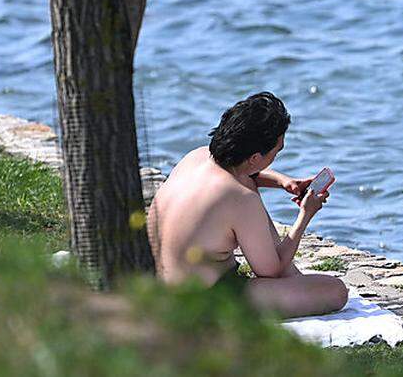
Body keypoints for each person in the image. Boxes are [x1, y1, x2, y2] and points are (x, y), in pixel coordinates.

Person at [147, 91, 348, 317]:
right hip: (204, 301)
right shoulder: (240, 197)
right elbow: (270, 271)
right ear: (255, 158)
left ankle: (293, 282)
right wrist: (305, 215)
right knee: (335, 291)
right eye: (276, 151)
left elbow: (244, 174)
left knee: (249, 189)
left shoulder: (196, 157)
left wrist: (284, 182)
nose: (276, 156)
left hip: (161, 287)